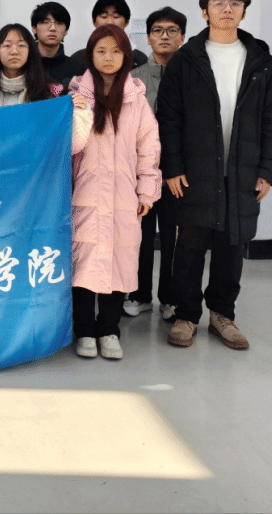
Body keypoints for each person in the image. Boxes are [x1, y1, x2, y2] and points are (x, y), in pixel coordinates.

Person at [158, 0, 272, 350]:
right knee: (189, 246)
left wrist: (268, 170)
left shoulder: (261, 61)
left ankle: (222, 315)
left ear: (243, 12)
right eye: (219, 2)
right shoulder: (186, 59)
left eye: (235, 3)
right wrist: (172, 166)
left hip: (242, 170)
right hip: (194, 170)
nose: (227, 8)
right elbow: (168, 117)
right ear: (204, 12)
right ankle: (185, 316)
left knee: (232, 248)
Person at [68, 24, 162, 360]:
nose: (109, 58)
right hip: (85, 197)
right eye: (101, 51)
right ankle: (84, 330)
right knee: (83, 265)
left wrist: (146, 192)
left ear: (126, 57)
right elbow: (71, 147)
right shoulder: (76, 96)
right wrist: (78, 112)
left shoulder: (136, 100)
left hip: (124, 197)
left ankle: (109, 329)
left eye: (116, 51)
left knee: (119, 263)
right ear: (90, 56)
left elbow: (148, 148)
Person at [124, 6, 188, 320]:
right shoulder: (133, 79)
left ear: (182, 37)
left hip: (179, 173)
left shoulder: (193, 78)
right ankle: (139, 294)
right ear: (148, 37)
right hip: (140, 173)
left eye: (172, 30)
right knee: (140, 235)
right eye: (157, 30)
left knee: (176, 238)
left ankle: (170, 298)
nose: (164, 36)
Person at [0, 23, 63, 109]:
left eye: (21, 45)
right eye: (7, 45)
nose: (14, 52)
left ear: (30, 51)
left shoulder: (51, 94)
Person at [68, 0, 148, 74]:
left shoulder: (140, 60)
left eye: (116, 17)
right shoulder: (78, 59)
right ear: (93, 21)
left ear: (127, 22)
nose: (109, 22)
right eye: (104, 16)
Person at [31, 1, 84, 84]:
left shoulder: (76, 68)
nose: (52, 28)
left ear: (66, 31)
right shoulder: (22, 64)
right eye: (45, 22)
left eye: (59, 23)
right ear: (34, 28)